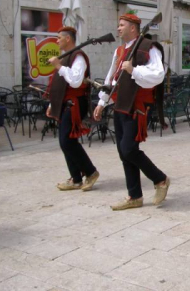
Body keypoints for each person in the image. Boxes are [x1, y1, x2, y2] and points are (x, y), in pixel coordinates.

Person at [94, 13, 170, 210]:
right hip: (120, 105)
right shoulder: (119, 51)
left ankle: (160, 179)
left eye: (122, 25)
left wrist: (133, 70)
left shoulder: (148, 47)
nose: (118, 28)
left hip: (137, 107)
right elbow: (111, 79)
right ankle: (134, 195)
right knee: (124, 152)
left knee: (128, 149)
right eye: (118, 25)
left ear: (133, 28)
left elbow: (158, 75)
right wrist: (102, 102)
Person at [47, 26, 100, 191]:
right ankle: (76, 178)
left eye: (59, 38)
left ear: (67, 39)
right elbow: (59, 85)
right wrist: (52, 104)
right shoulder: (65, 57)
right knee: (65, 142)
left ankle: (90, 172)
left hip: (75, 103)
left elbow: (76, 81)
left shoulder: (78, 57)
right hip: (65, 103)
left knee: (67, 141)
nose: (57, 41)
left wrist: (59, 66)